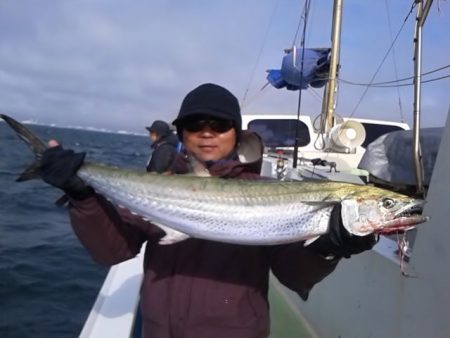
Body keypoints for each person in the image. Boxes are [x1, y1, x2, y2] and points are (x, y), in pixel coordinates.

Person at [39, 83, 377, 338]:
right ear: (182, 134)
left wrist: (328, 249)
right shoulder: (160, 182)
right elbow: (111, 250)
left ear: (237, 132)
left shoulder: (268, 191)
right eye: (195, 124)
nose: (206, 132)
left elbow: (294, 275)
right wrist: (83, 196)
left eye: (218, 124)